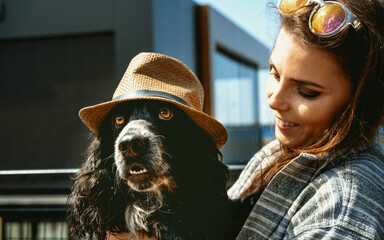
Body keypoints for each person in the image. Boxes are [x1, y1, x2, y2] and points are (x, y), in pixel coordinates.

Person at [228, 0, 384, 239]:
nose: (274, 101)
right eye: (274, 72)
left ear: (362, 101)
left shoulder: (342, 211)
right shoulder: (278, 153)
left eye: (307, 92)